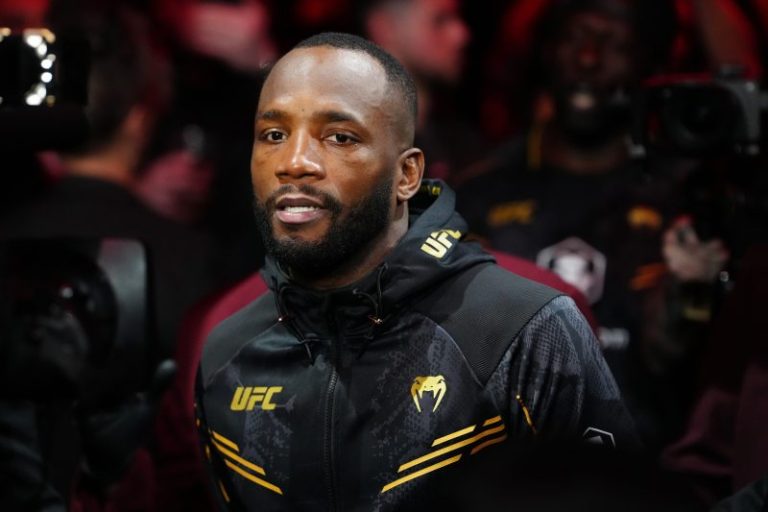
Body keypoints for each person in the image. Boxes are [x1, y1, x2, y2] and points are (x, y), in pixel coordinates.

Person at [195, 32, 637, 510]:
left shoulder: (523, 330)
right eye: (273, 135)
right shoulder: (226, 353)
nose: (294, 162)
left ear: (406, 176)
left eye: (340, 137)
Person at [360, 0, 484, 183]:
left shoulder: (461, 141)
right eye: (440, 20)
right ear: (386, 29)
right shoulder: (351, 154)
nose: (461, 35)